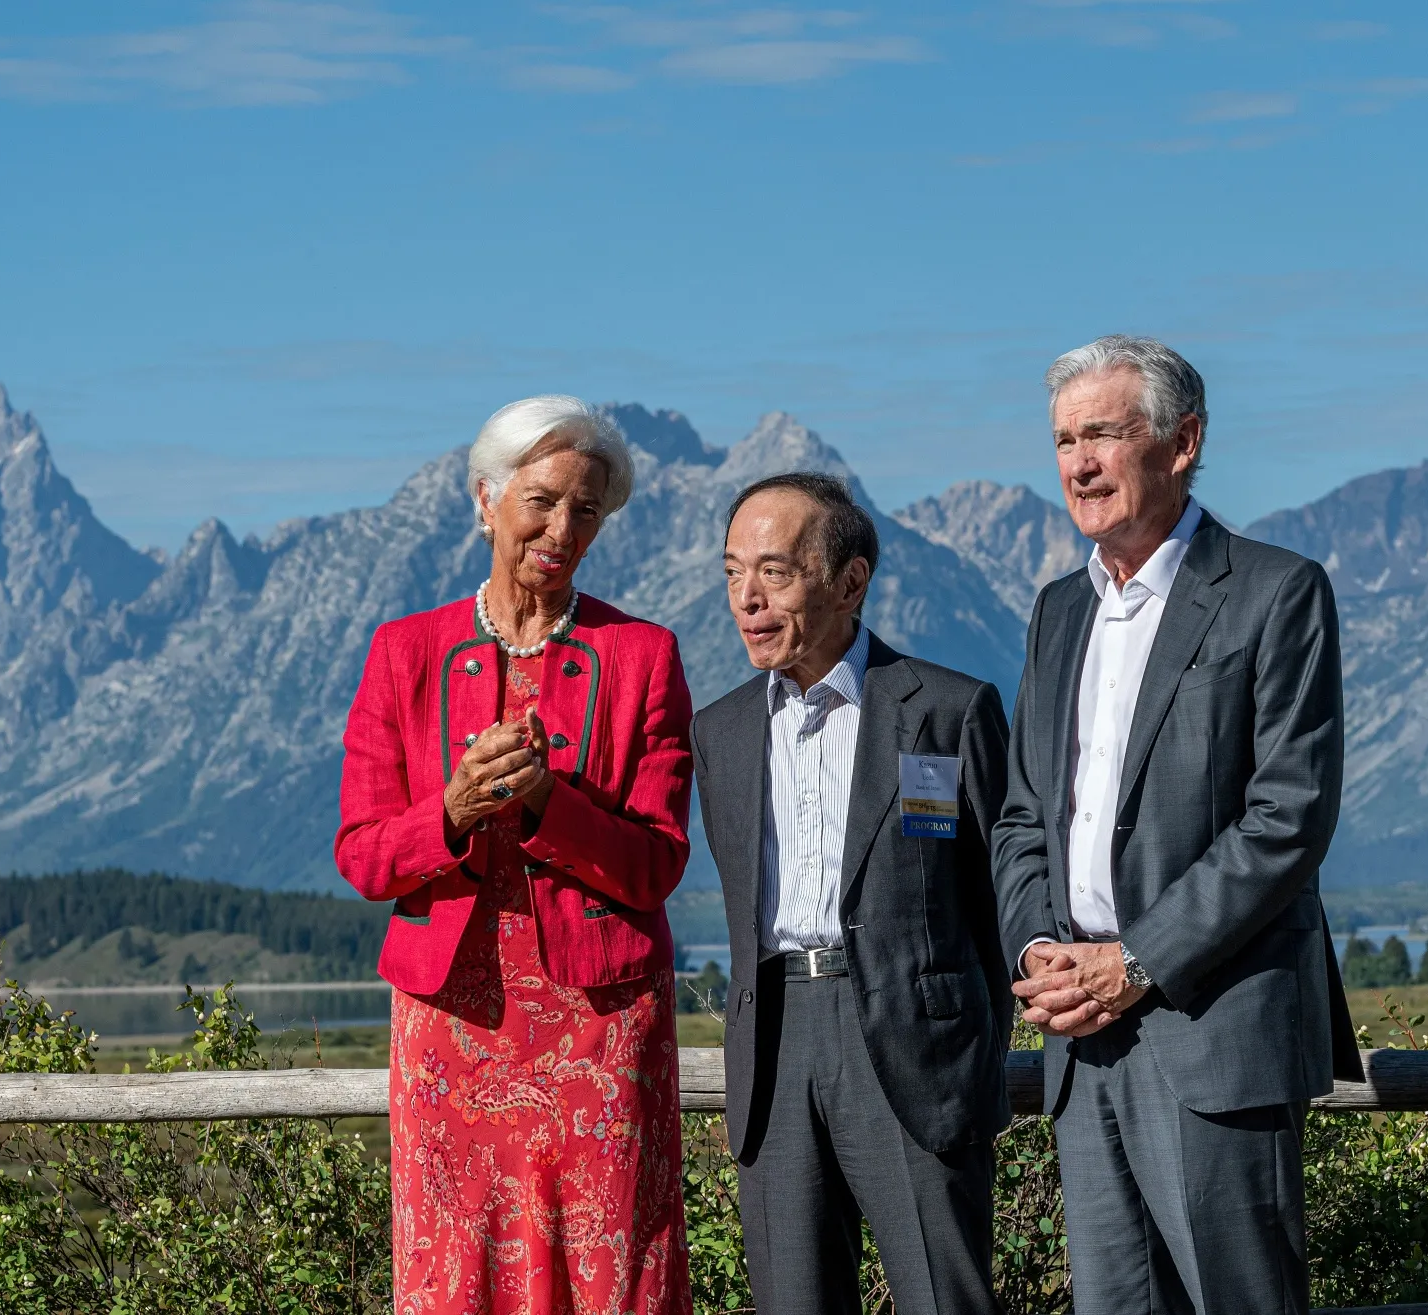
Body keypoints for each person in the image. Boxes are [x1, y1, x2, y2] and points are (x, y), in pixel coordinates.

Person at [993, 336, 1364, 1315]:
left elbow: (1287, 818)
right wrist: (1037, 951)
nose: (1078, 464)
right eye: (1063, 440)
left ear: (1183, 440)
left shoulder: (1275, 591)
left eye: (1102, 435)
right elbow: (1022, 814)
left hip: (1213, 1030)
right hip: (1080, 1038)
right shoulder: (1056, 612)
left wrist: (1137, 959)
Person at [336, 395, 693, 1314]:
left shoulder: (644, 656)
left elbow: (656, 864)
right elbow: (365, 858)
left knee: (612, 1270)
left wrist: (547, 805)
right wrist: (452, 811)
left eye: (586, 509)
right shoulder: (403, 653)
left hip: (601, 1029)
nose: (563, 530)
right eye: (542, 501)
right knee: (457, 1271)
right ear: (486, 500)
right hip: (451, 1026)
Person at [692, 472, 1012, 1315]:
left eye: (773, 571)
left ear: (850, 581)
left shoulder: (948, 710)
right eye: (733, 573)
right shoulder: (719, 731)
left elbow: (1002, 898)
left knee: (945, 1299)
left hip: (917, 1043)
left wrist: (973, 1052)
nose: (747, 599)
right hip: (774, 1043)